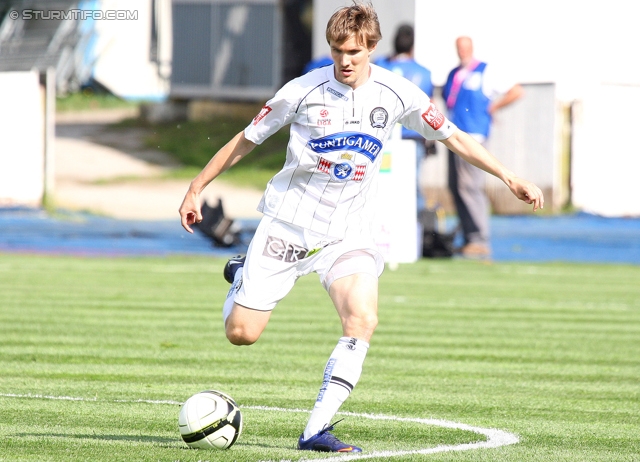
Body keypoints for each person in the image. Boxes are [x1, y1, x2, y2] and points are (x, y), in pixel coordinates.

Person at [179, 1, 543, 453]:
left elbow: (453, 136)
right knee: (242, 334)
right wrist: (196, 187)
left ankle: (314, 430)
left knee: (363, 319)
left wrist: (509, 176)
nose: (344, 61)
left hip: (348, 231)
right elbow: (246, 139)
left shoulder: (399, 93)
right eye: (336, 51)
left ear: (372, 47)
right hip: (289, 225)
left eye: (353, 51)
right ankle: (242, 273)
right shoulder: (301, 91)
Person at [442, 36, 525, 258]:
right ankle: (469, 237)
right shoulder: (453, 74)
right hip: (453, 135)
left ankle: (480, 239)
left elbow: (517, 91)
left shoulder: (485, 71)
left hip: (474, 136)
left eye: (465, 47)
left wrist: (494, 107)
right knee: (456, 187)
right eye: (459, 47)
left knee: (470, 187)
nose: (462, 51)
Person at [375, 24, 434, 214]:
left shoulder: (379, 66)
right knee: (412, 184)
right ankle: (418, 231)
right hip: (413, 137)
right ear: (412, 46)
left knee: (379, 183)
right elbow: (429, 106)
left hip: (381, 137)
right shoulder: (423, 73)